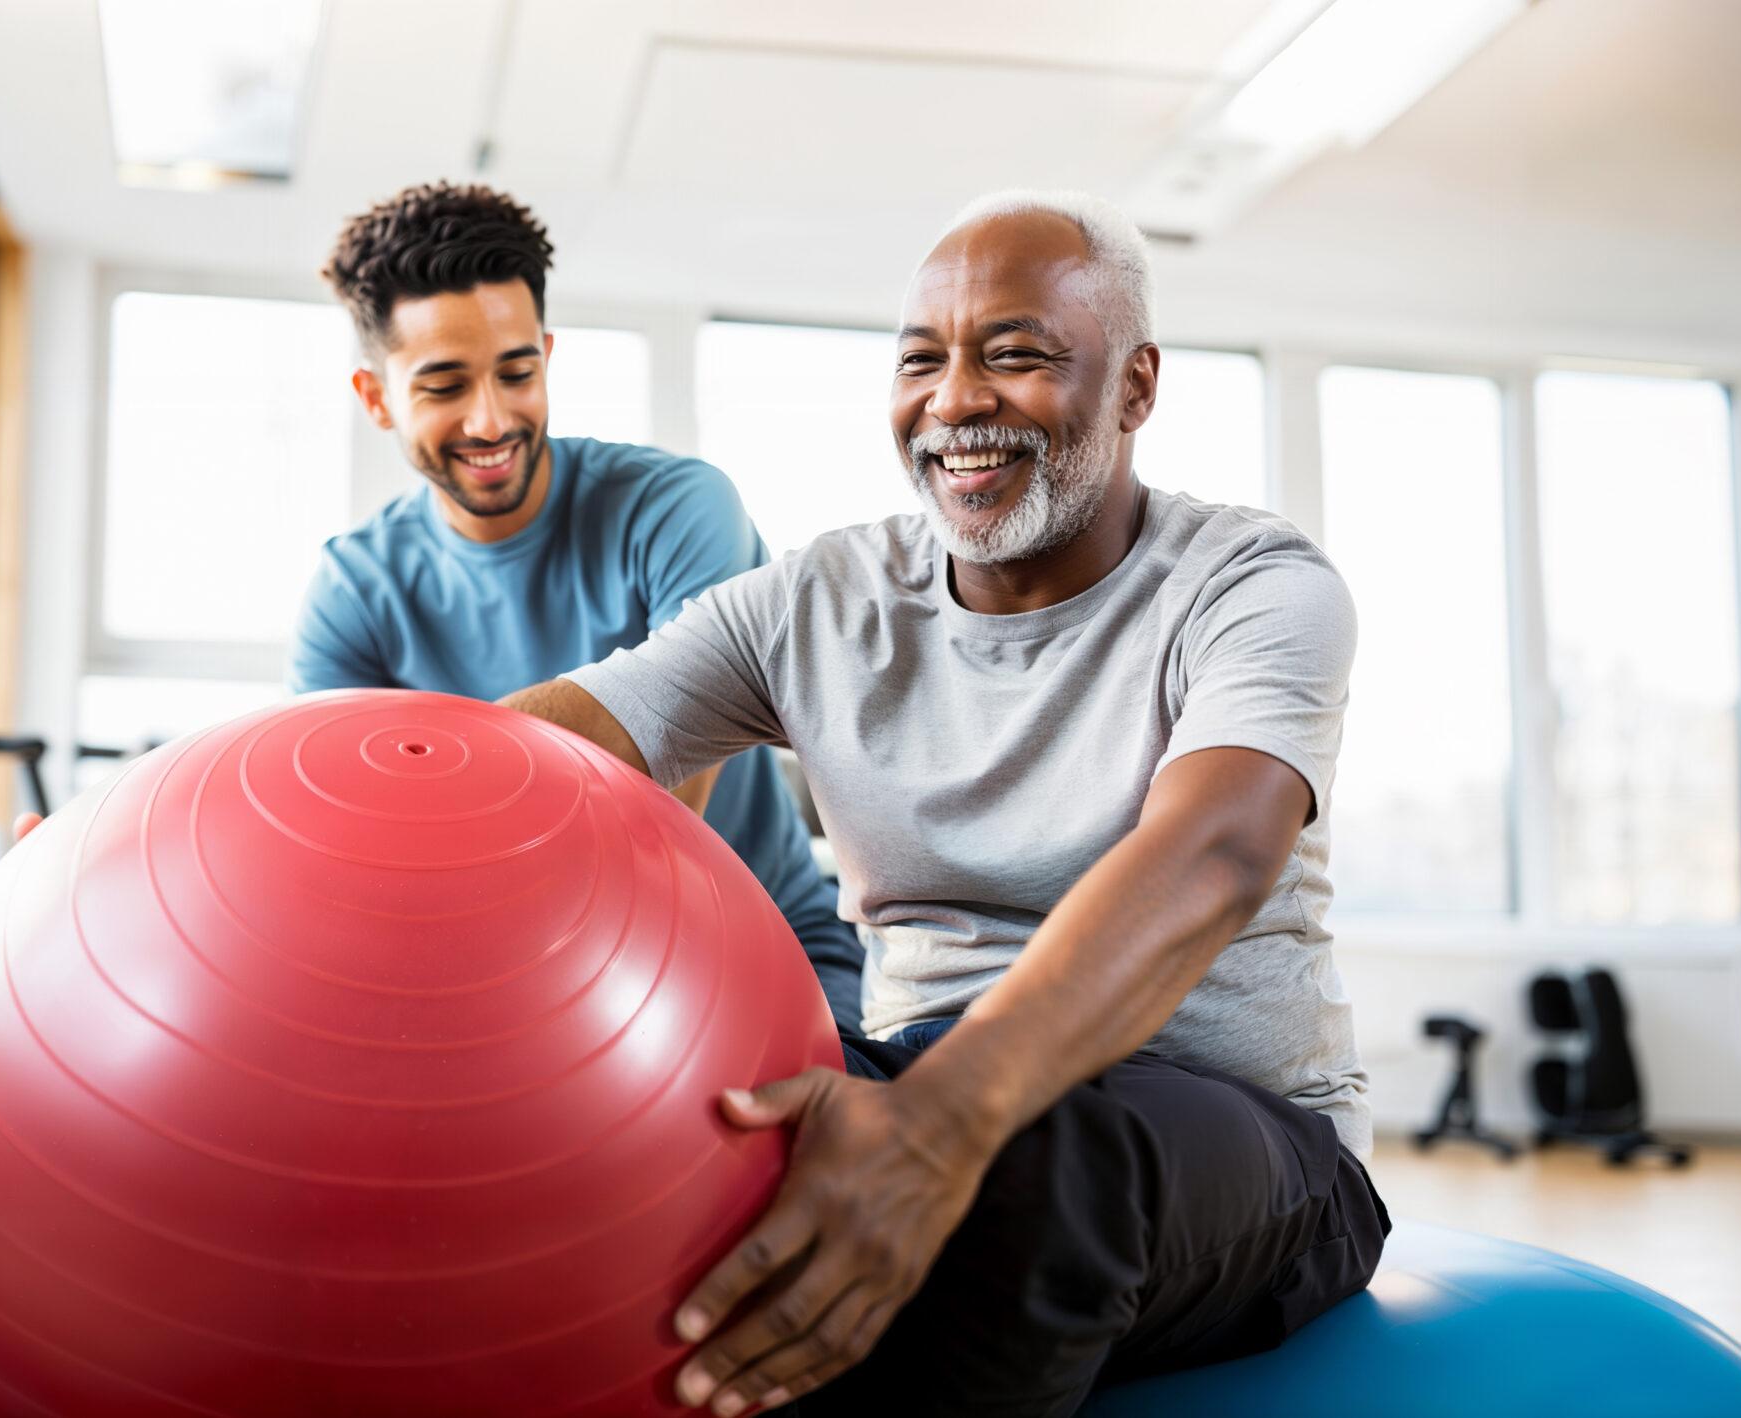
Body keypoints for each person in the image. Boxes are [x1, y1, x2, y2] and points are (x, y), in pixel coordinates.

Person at [498, 190, 1386, 1417]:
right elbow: (552, 750)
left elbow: (1216, 853)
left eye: (1015, 355)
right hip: (916, 1068)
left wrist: (939, 1122)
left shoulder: (1253, 585)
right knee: (665, 1136)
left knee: (1032, 1173)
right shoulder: (820, 599)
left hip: (1239, 1134)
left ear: (1134, 388)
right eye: (923, 359)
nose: (956, 399)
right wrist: (351, 810)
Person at [0, 181, 864, 1032]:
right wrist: (69, 904)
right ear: (376, 397)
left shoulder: (676, 508)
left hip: (756, 955)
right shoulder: (356, 591)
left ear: (547, 356)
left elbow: (654, 802)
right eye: (444, 384)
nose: (491, 419)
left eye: (517, 372)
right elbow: (312, 845)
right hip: (508, 992)